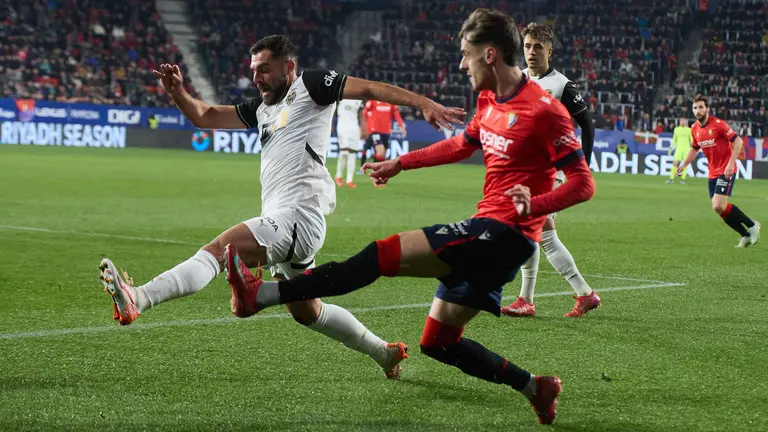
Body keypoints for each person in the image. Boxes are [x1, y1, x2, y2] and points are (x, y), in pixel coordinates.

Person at [224, 10, 595, 425]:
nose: (460, 64)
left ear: (489, 55)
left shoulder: (545, 111)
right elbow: (461, 146)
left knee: (380, 255)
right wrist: (400, 163)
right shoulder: (490, 101)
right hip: (491, 236)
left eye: (465, 55)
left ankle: (263, 296)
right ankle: (536, 387)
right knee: (438, 343)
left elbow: (584, 184)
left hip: (503, 235)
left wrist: (536, 205)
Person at [98, 35, 464, 379]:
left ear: (289, 67)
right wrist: (178, 93)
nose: (256, 76)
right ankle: (383, 353)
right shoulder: (261, 109)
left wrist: (424, 103)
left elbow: (367, 88)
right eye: (253, 69)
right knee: (308, 311)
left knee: (218, 251)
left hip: (296, 218)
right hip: (288, 224)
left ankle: (139, 298)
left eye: (264, 69)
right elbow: (206, 116)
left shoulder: (311, 86)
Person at [502, 22, 600, 318]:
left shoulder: (561, 86)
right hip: (525, 169)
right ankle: (529, 300)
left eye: (538, 48)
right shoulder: (517, 80)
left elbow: (588, 125)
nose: (531, 52)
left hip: (550, 170)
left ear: (549, 51)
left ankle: (583, 294)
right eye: (528, 46)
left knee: (541, 234)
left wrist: (582, 164)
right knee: (531, 231)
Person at [678, 95, 760, 248]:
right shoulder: (694, 128)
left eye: (701, 107)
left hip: (726, 169)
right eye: (695, 108)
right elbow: (695, 148)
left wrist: (730, 164)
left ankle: (752, 225)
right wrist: (684, 165)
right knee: (719, 208)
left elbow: (739, 141)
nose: (698, 110)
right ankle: (746, 235)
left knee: (718, 205)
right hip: (713, 172)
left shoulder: (718, 125)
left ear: (707, 109)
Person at [360, 100, 406, 169]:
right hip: (375, 130)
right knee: (380, 153)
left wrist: (402, 127)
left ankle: (376, 169)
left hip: (387, 131)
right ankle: (366, 165)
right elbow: (364, 113)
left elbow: (396, 115)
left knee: (382, 155)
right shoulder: (372, 101)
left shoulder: (391, 102)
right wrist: (365, 127)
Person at [334, 99, 365, 187]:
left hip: (354, 127)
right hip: (342, 126)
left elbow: (361, 114)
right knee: (344, 152)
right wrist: (331, 124)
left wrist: (363, 128)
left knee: (352, 154)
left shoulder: (359, 99)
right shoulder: (342, 94)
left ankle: (349, 180)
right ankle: (338, 176)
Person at [667, 118, 692, 184]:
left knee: (685, 165)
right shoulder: (676, 129)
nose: (682, 122)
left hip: (686, 149)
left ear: (686, 122)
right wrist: (671, 148)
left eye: (684, 121)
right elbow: (674, 139)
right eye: (681, 121)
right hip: (678, 149)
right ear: (679, 122)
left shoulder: (689, 130)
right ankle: (671, 178)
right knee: (675, 163)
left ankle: (683, 179)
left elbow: (691, 140)